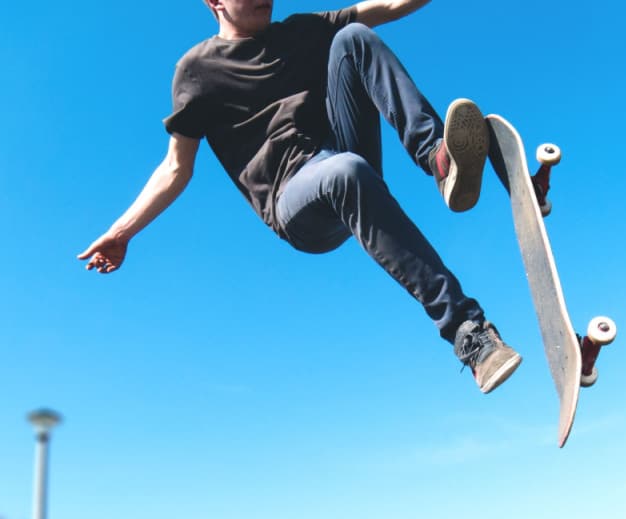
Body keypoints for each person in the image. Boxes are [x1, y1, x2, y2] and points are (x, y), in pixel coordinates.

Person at [78, 0, 522, 393]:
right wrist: (123, 232)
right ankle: (467, 331)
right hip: (295, 203)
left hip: (343, 159)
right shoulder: (197, 72)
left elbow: (383, 8)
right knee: (343, 172)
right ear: (213, 2)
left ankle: (436, 159)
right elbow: (176, 167)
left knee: (354, 38)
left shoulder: (299, 32)